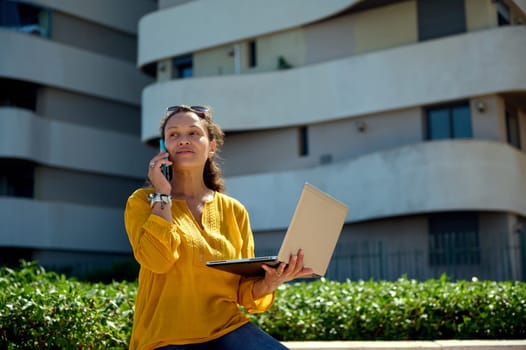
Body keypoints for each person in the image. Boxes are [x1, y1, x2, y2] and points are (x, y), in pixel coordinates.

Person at [124, 105, 313, 350]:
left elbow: (243, 291)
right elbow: (157, 261)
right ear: (164, 149)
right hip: (165, 337)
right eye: (174, 135)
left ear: (211, 146)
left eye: (193, 133)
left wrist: (270, 282)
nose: (183, 140)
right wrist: (162, 194)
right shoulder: (142, 202)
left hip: (228, 330)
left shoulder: (234, 211)